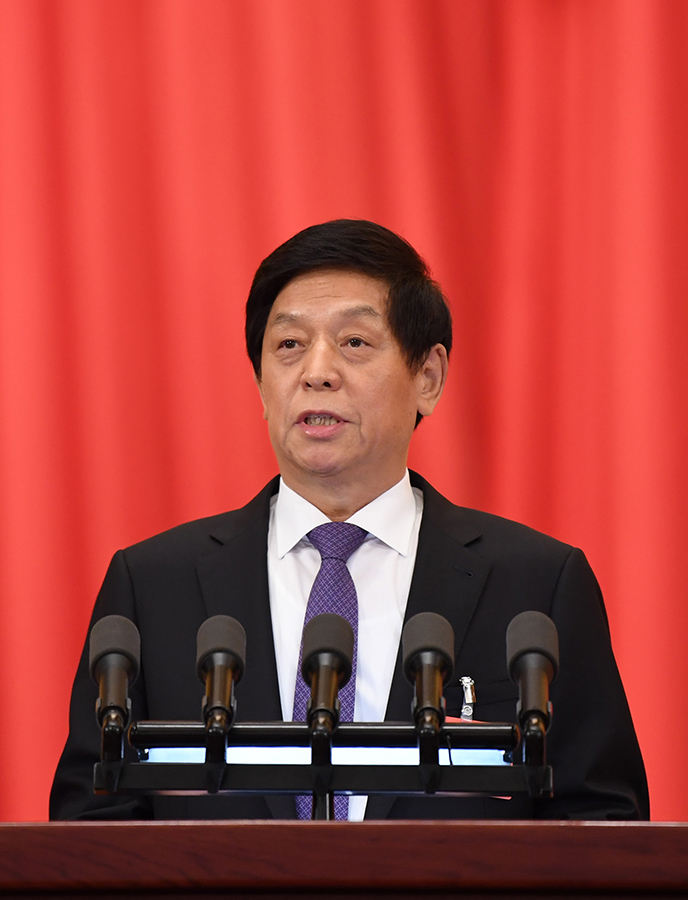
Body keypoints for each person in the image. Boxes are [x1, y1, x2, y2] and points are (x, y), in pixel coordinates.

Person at [50, 219, 649, 821]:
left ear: (428, 377)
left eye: (355, 342)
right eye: (289, 345)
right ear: (260, 384)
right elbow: (90, 825)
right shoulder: (153, 585)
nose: (317, 371)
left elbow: (602, 824)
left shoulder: (537, 585)